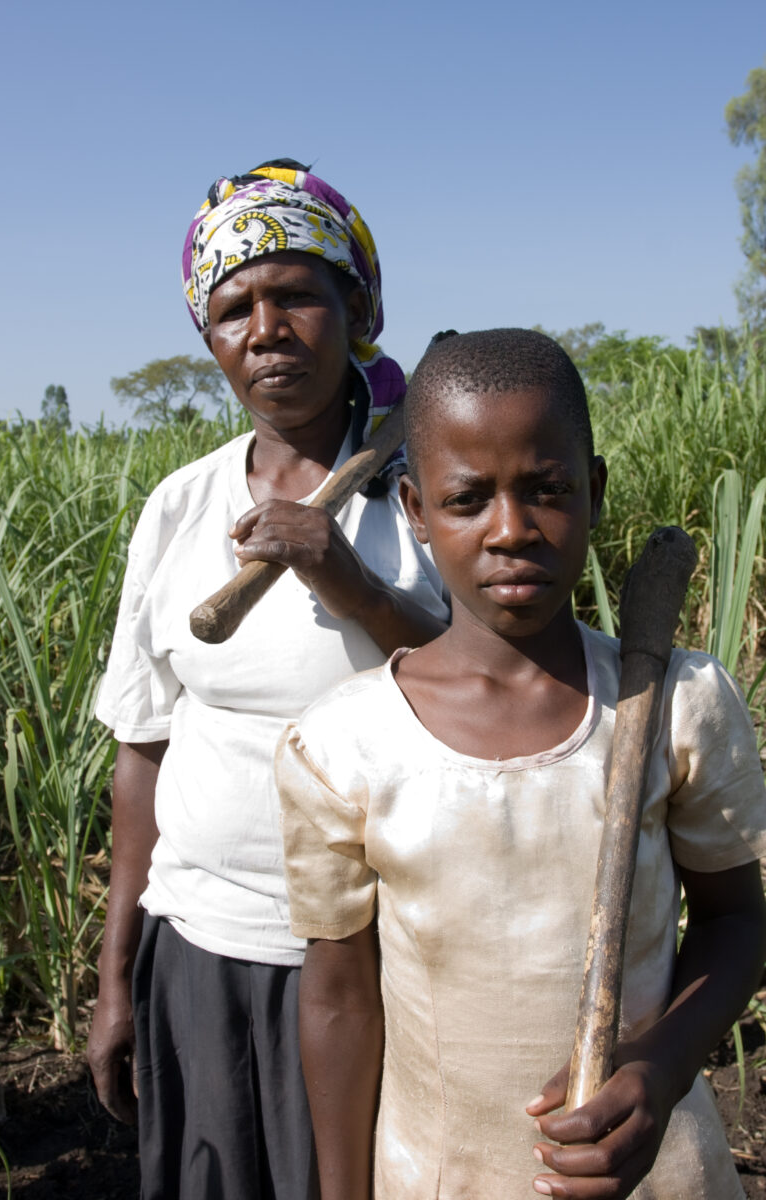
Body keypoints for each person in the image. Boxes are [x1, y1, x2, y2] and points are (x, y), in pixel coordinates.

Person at [276, 328, 766, 1199]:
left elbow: (736, 923)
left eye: (547, 490)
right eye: (468, 500)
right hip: (438, 1175)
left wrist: (658, 1069)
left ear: (596, 491)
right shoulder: (343, 746)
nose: (512, 530)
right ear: (416, 510)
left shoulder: (678, 705)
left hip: (658, 1174)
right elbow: (341, 998)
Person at [86, 160, 449, 1199]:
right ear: (210, 339)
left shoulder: (426, 490)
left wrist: (345, 574)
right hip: (196, 943)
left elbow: (494, 689)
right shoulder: (180, 507)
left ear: (358, 307)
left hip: (377, 958)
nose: (265, 328)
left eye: (295, 293)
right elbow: (144, 747)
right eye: (233, 307)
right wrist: (117, 979)